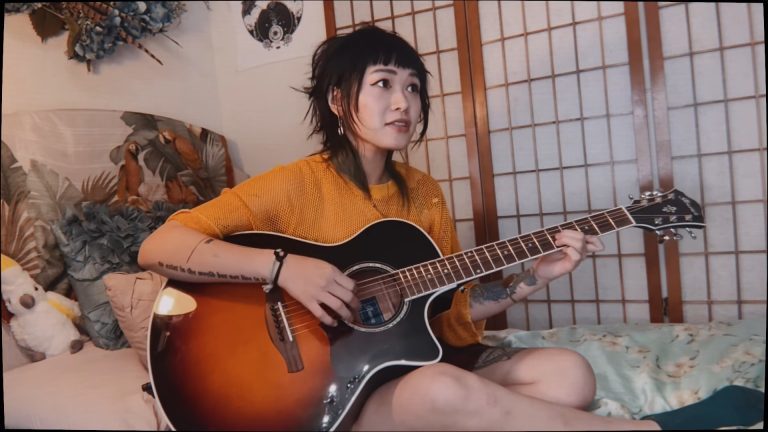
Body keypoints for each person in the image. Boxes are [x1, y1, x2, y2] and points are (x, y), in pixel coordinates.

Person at [138, 25, 763, 431]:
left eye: (413, 88)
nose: (403, 103)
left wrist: (534, 278)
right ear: (337, 100)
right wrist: (284, 268)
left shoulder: (422, 192)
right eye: (383, 84)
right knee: (439, 387)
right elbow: (159, 245)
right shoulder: (294, 185)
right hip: (332, 392)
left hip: (399, 370)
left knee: (568, 374)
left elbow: (452, 308)